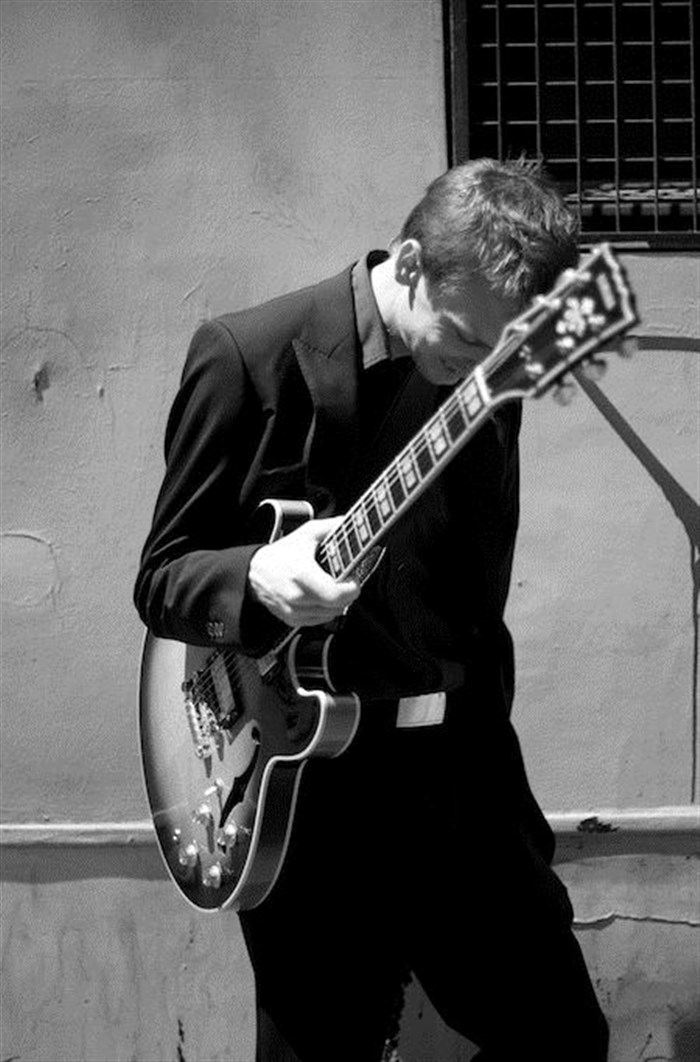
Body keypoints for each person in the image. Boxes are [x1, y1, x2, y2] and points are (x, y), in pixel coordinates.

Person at [134, 157, 610, 1061]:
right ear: (410, 264)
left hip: (453, 783)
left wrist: (503, 796)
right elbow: (162, 577)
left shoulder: (485, 377)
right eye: (466, 337)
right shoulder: (246, 356)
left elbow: (474, 607)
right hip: (298, 792)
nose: (481, 364)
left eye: (503, 349)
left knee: (563, 1039)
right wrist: (258, 577)